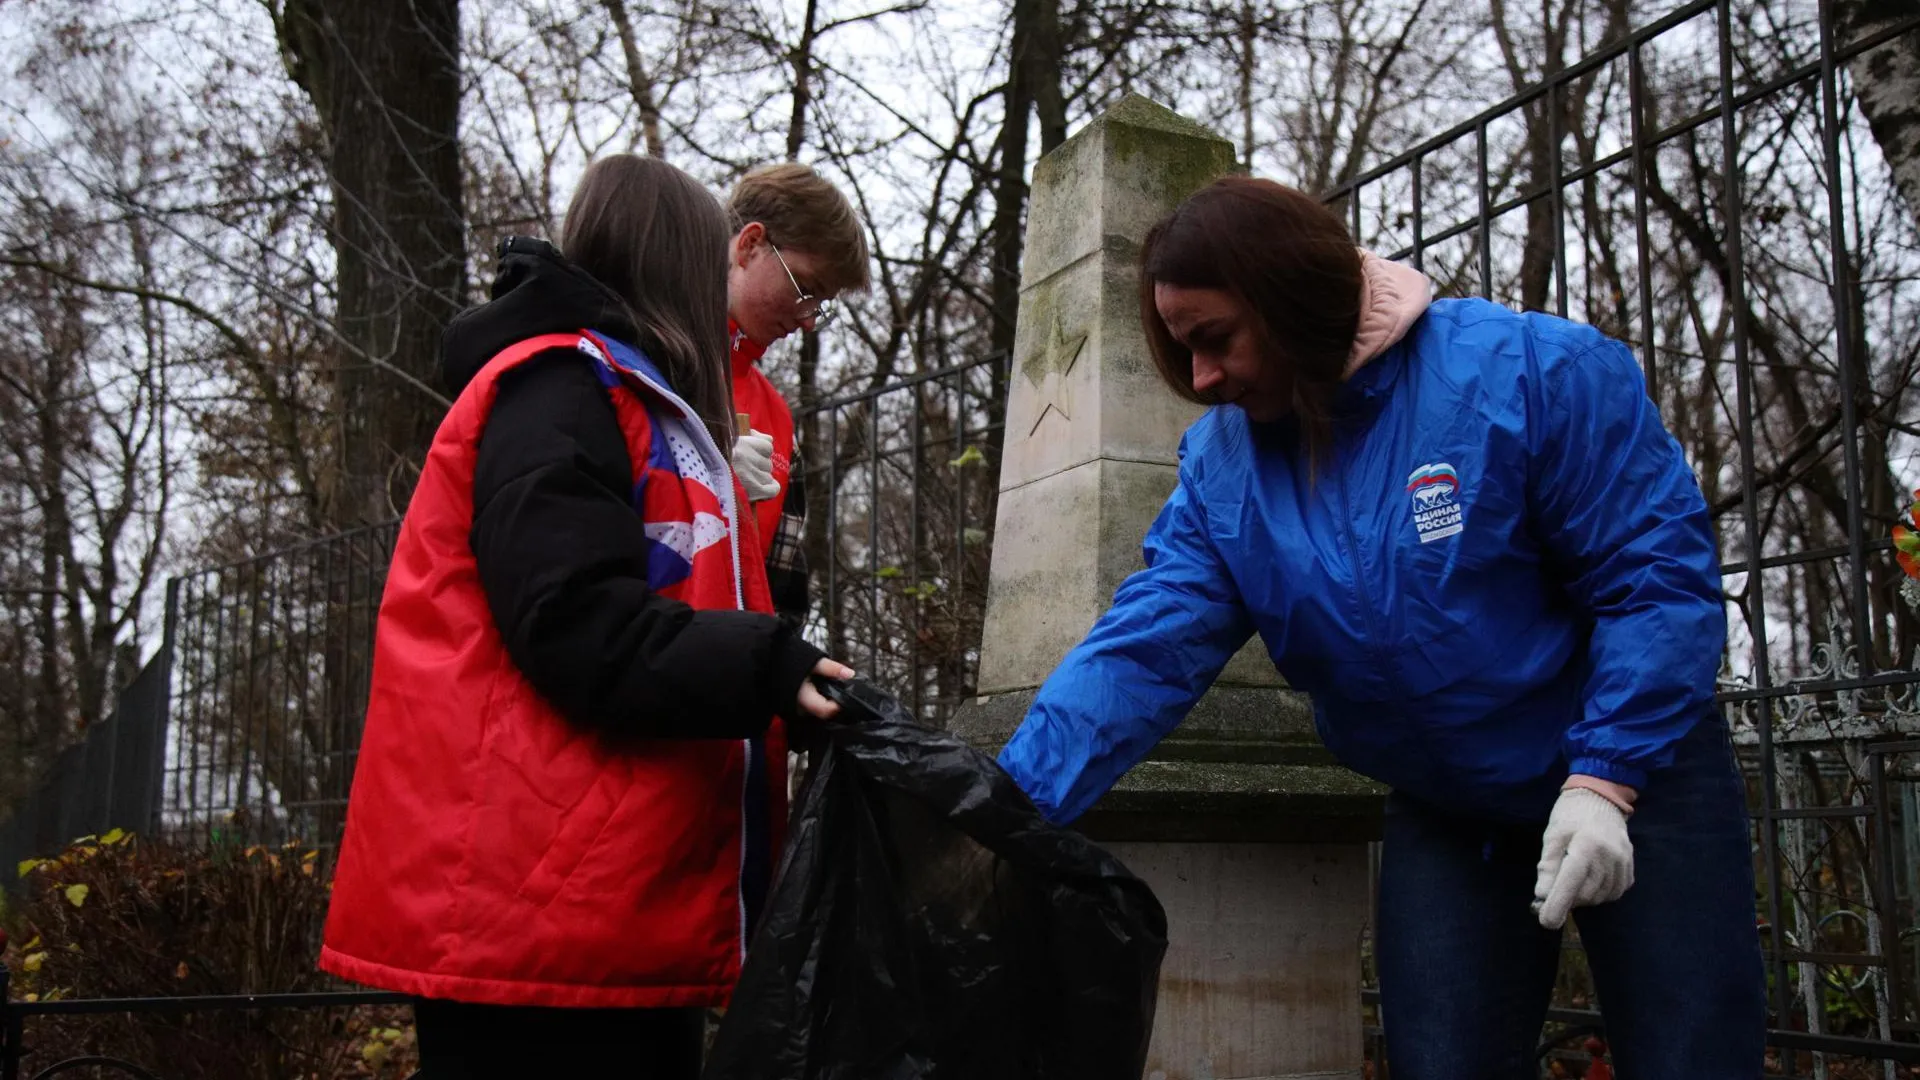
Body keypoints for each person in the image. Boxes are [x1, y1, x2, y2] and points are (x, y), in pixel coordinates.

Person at [995, 177, 1765, 1077]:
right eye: (1182, 349)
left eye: (1214, 341)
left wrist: (1605, 780)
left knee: (1692, 1053)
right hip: (1451, 806)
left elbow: (1656, 582)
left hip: (1637, 780)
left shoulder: (1530, 373)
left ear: (1292, 298)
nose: (1201, 380)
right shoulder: (1225, 469)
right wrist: (1000, 812)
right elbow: (1144, 648)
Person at [318, 154, 853, 1079]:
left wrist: (783, 677)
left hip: (602, 895)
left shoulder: (636, 399)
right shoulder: (558, 390)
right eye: (704, 267)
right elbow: (576, 624)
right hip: (528, 906)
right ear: (677, 269)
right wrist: (766, 667)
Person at [723, 163, 872, 626]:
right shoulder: (638, 360)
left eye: (820, 304)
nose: (808, 319)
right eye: (805, 288)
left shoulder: (778, 421)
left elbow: (781, 598)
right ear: (750, 245)